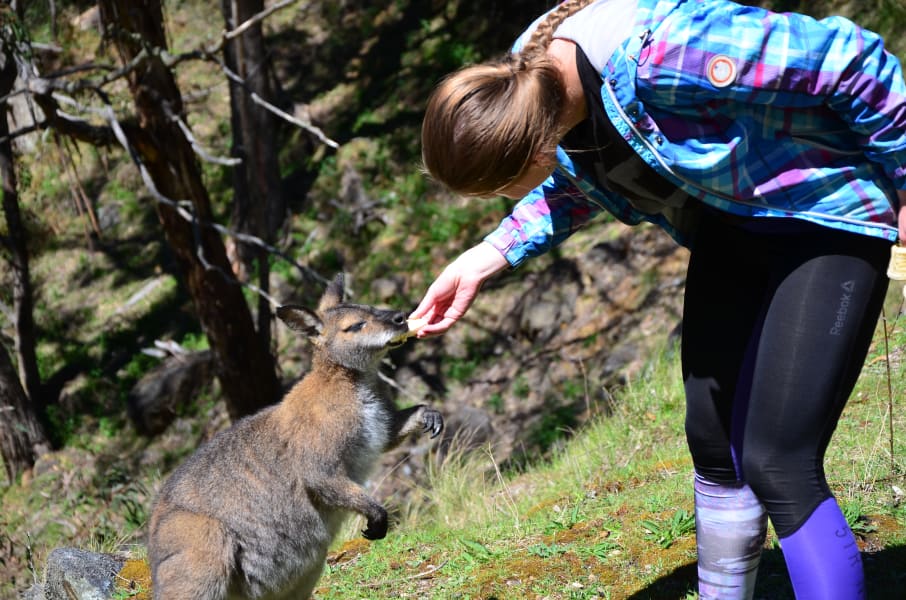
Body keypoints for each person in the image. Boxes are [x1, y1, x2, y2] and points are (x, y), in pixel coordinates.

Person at [409, 0, 906, 598]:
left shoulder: (667, 53)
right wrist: (484, 258)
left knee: (777, 460)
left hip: (829, 212)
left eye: (503, 186)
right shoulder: (527, 85)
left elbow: (850, 60)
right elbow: (583, 178)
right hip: (733, 223)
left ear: (536, 150)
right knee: (714, 444)